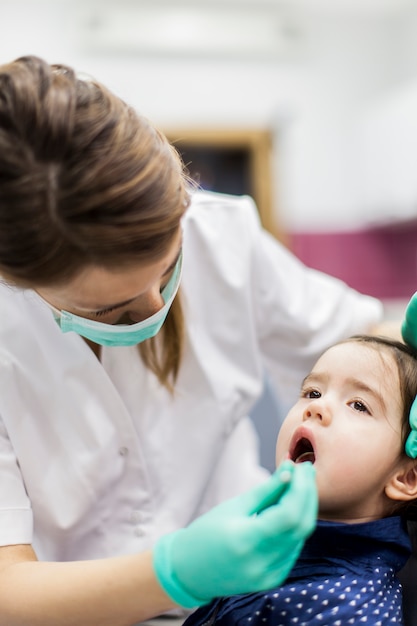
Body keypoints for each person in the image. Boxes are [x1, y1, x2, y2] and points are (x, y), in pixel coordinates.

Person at [0, 54, 384, 623]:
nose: (160, 306)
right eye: (115, 307)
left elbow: (355, 339)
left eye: (170, 264)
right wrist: (172, 573)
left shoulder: (219, 235)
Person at [183, 335, 417, 626]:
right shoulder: (268, 547)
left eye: (358, 405)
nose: (316, 408)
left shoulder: (352, 610)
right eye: (313, 392)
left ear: (407, 478)